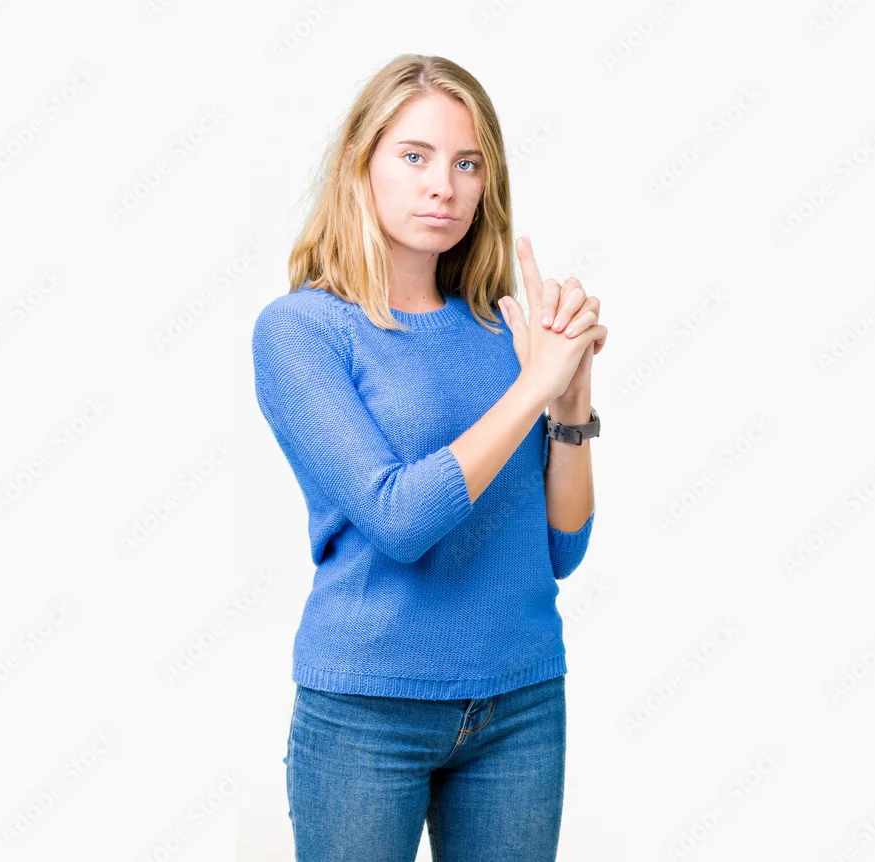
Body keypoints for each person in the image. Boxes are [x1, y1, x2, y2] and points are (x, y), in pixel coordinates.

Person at [251, 54, 608, 862]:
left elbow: (562, 549)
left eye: (467, 163)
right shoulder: (302, 331)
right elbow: (400, 519)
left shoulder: (504, 330)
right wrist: (532, 389)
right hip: (367, 711)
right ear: (359, 162)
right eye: (414, 156)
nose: (442, 186)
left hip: (521, 702)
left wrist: (569, 405)